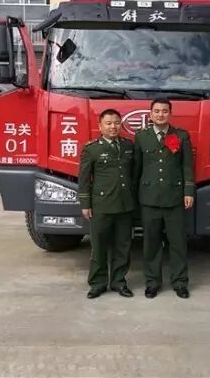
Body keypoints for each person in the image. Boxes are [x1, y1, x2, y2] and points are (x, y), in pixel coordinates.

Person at [133, 98, 194, 299]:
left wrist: (188, 191)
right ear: (150, 115)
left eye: (165, 111)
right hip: (149, 198)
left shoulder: (181, 136)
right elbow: (136, 169)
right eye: (157, 111)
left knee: (178, 243)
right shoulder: (141, 137)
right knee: (151, 244)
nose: (160, 115)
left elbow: (187, 166)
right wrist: (134, 196)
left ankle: (180, 282)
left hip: (174, 198)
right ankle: (152, 283)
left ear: (170, 114)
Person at [78, 109, 135, 299]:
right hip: (101, 206)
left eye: (117, 123)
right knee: (99, 247)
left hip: (125, 205)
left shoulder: (128, 146)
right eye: (109, 123)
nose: (113, 127)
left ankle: (119, 282)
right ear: (100, 126)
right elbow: (84, 178)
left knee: (123, 247)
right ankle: (97, 283)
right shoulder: (92, 148)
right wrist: (85, 203)